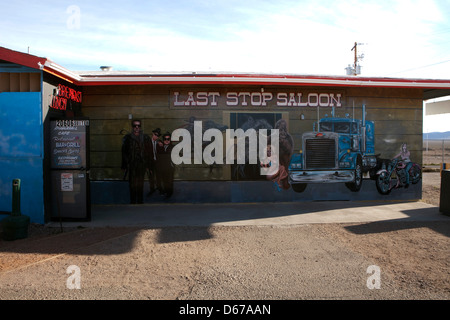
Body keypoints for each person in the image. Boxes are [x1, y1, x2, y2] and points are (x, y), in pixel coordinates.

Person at [121, 120, 151, 204]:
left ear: (140, 127)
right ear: (132, 127)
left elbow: (149, 152)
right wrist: (124, 165)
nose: (137, 127)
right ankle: (133, 201)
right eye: (135, 126)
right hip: (132, 163)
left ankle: (140, 200)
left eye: (138, 126)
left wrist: (148, 165)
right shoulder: (128, 138)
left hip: (142, 163)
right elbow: (124, 152)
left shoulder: (145, 137)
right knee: (132, 183)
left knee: (140, 182)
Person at [156, 132, 175, 198]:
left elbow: (180, 155)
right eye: (165, 139)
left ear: (170, 140)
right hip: (162, 167)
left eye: (168, 139)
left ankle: (169, 193)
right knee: (164, 180)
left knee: (169, 181)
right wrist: (159, 142)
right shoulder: (160, 146)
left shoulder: (173, 147)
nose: (166, 140)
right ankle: (166, 191)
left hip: (170, 167)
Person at [148, 127, 162, 196]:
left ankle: (159, 189)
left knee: (158, 176)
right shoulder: (148, 143)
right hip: (151, 162)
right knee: (151, 177)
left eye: (158, 135)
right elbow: (146, 154)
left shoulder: (159, 143)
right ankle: (152, 189)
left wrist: (161, 146)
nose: (156, 136)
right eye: (155, 134)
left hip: (158, 162)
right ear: (152, 134)